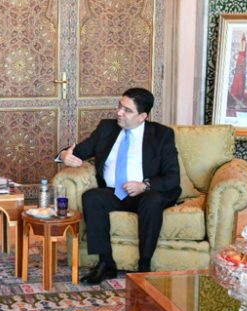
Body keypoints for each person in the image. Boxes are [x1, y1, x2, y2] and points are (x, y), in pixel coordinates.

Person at [56, 88, 180, 285]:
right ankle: (106, 264)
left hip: (146, 192)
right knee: (92, 197)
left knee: (153, 201)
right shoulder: (107, 128)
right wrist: (64, 156)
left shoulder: (162, 135)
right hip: (115, 192)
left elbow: (173, 177)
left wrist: (144, 185)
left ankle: (144, 264)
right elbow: (77, 151)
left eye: (127, 110)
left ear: (142, 116)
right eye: (120, 106)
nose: (119, 113)